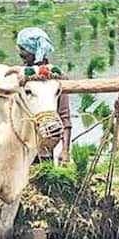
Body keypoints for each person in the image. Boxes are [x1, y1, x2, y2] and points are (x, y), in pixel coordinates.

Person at [16, 27, 71, 165]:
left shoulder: (56, 78)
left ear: (33, 51)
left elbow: (64, 117)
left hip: (44, 150)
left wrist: (65, 150)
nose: (20, 54)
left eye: (23, 50)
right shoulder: (20, 77)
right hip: (20, 150)